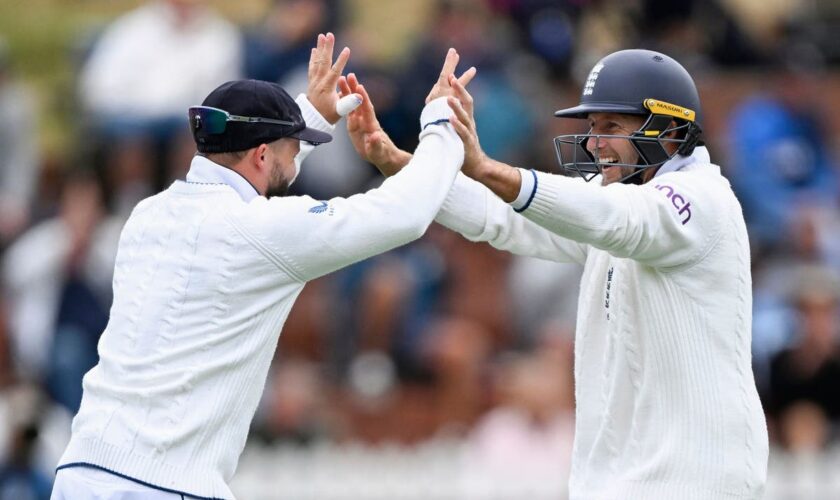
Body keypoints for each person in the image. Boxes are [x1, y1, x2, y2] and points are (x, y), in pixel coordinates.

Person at [50, 33, 475, 500]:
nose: (298, 154)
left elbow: (256, 170)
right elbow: (405, 214)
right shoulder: (260, 230)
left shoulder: (146, 216)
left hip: (82, 470)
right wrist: (441, 129)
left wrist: (307, 115)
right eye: (294, 145)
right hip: (164, 485)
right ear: (260, 154)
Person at [342, 49, 769, 499]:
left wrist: (487, 166)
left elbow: (619, 218)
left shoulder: (701, 200)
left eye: (611, 127)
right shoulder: (615, 201)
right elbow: (502, 216)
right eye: (592, 127)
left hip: (698, 481)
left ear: (669, 130)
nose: (593, 142)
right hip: (622, 480)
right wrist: (398, 164)